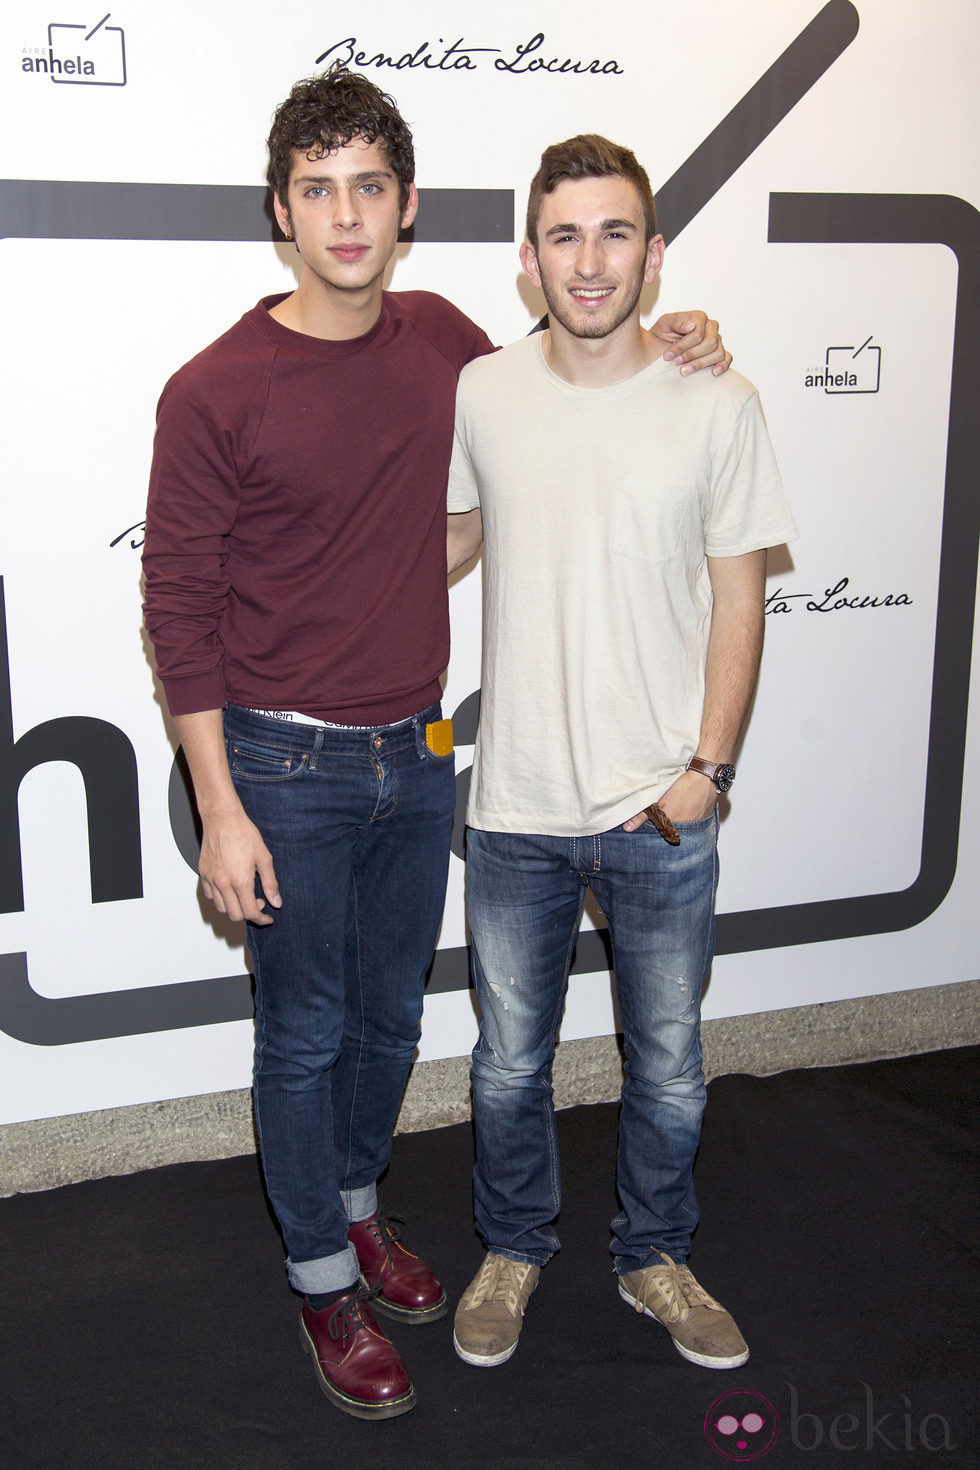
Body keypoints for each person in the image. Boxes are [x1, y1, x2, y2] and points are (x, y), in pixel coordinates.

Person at [142, 70, 730, 1422]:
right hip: (278, 768)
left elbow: (578, 363)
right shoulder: (214, 388)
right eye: (317, 189)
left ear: (405, 209)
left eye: (369, 188)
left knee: (393, 1017)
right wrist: (219, 807)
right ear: (280, 211)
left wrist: (687, 331)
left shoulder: (447, 346)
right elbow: (176, 609)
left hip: (416, 756)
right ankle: (317, 1277)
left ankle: (356, 1209)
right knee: (301, 1034)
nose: (345, 215)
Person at [447, 134, 798, 1374]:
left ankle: (654, 1255)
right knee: (503, 1068)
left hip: (663, 808)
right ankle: (512, 1247)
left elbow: (740, 601)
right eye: (561, 236)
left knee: (668, 1072)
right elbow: (439, 545)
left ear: (651, 256)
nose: (586, 262)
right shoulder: (479, 391)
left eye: (611, 235)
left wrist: (706, 771)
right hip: (512, 811)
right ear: (526, 261)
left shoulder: (719, 401)